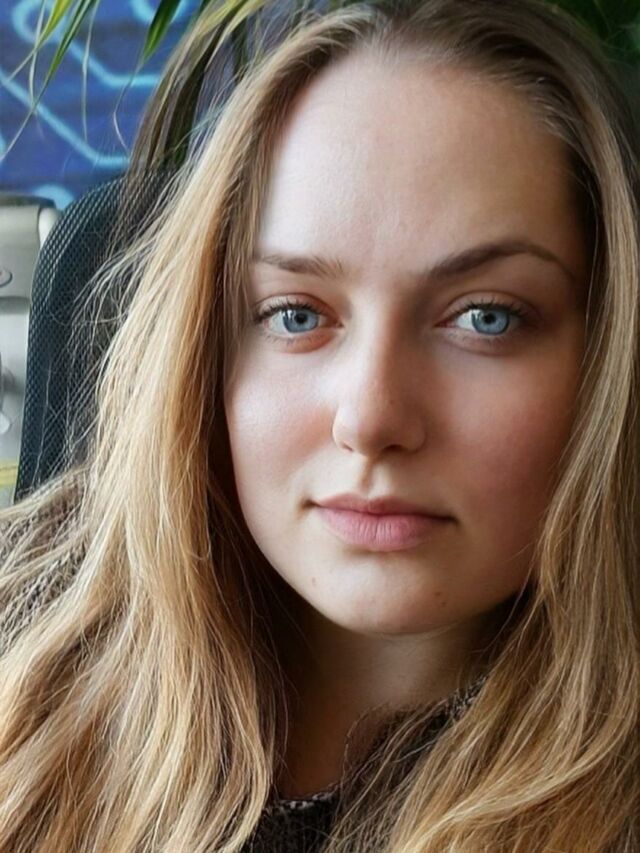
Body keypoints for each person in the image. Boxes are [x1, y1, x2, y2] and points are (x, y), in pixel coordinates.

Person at [0, 0, 638, 849]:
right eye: (297, 314)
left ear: (606, 353)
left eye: (485, 317)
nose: (370, 418)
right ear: (205, 348)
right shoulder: (25, 631)